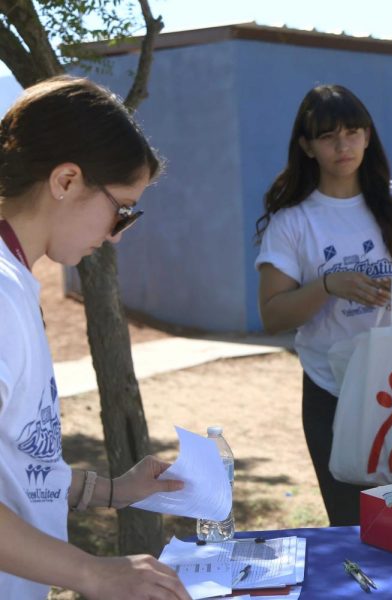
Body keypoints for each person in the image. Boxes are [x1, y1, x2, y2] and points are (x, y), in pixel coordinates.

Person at [0, 76, 189, 600]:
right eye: (121, 208)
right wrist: (93, 573)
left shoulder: (14, 280)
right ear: (65, 180)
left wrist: (111, 490)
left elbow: (18, 464)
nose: (117, 233)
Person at [255, 84, 392, 526]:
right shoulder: (293, 221)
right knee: (355, 528)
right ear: (307, 146)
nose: (343, 145)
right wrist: (328, 285)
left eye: (353, 132)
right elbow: (272, 315)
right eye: (328, 136)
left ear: (367, 135)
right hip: (332, 392)